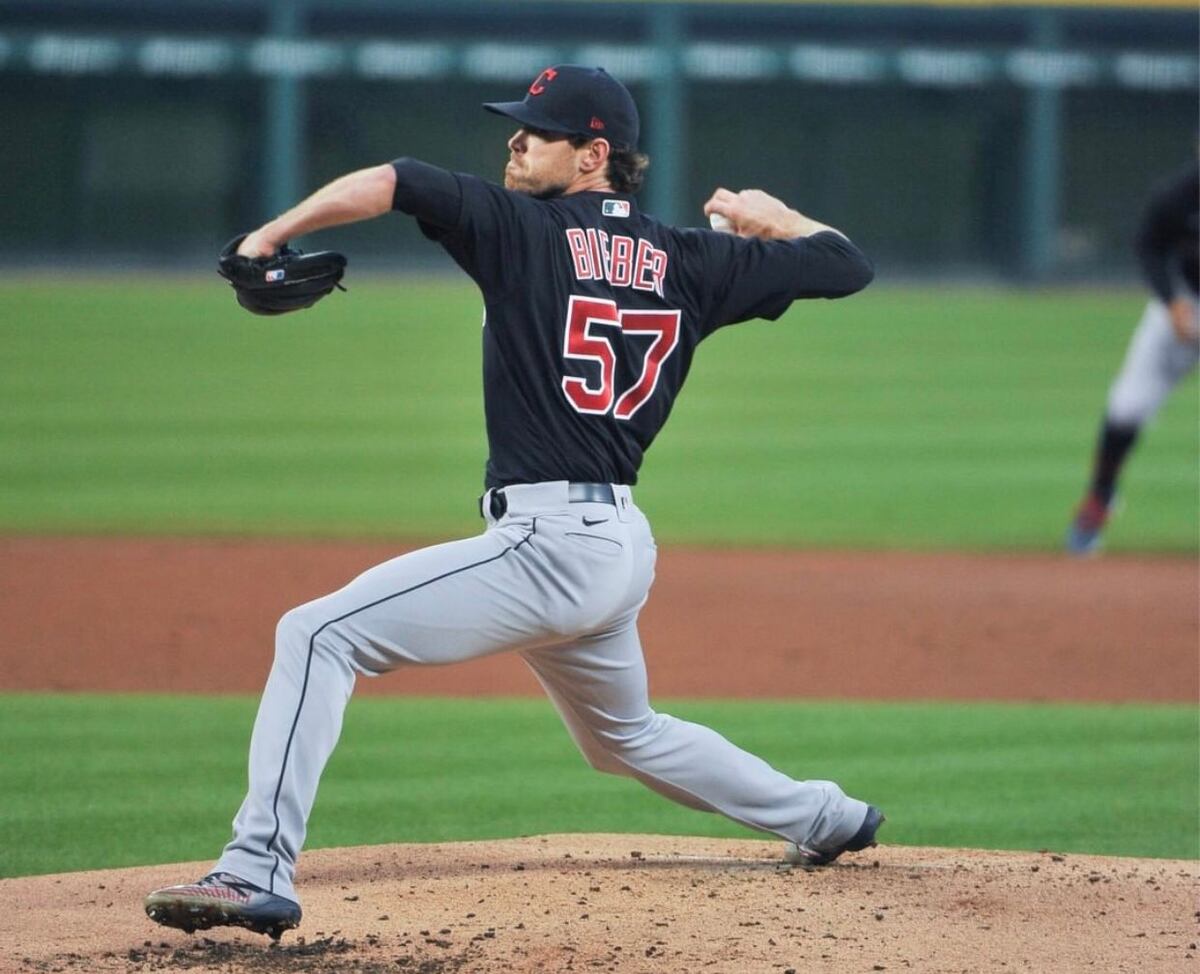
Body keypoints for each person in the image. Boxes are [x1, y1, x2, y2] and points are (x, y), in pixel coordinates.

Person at [144, 65, 880, 940]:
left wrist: (270, 234)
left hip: (549, 545)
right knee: (624, 737)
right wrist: (775, 219)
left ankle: (254, 868)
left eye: (537, 130)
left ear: (592, 154)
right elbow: (844, 264)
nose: (515, 140)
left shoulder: (519, 230)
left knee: (318, 632)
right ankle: (827, 816)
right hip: (615, 547)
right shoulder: (693, 258)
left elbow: (394, 180)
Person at [1066, 161, 1199, 555]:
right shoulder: (1178, 195)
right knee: (1126, 408)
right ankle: (1099, 500)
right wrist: (1170, 299)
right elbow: (1148, 246)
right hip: (1184, 305)